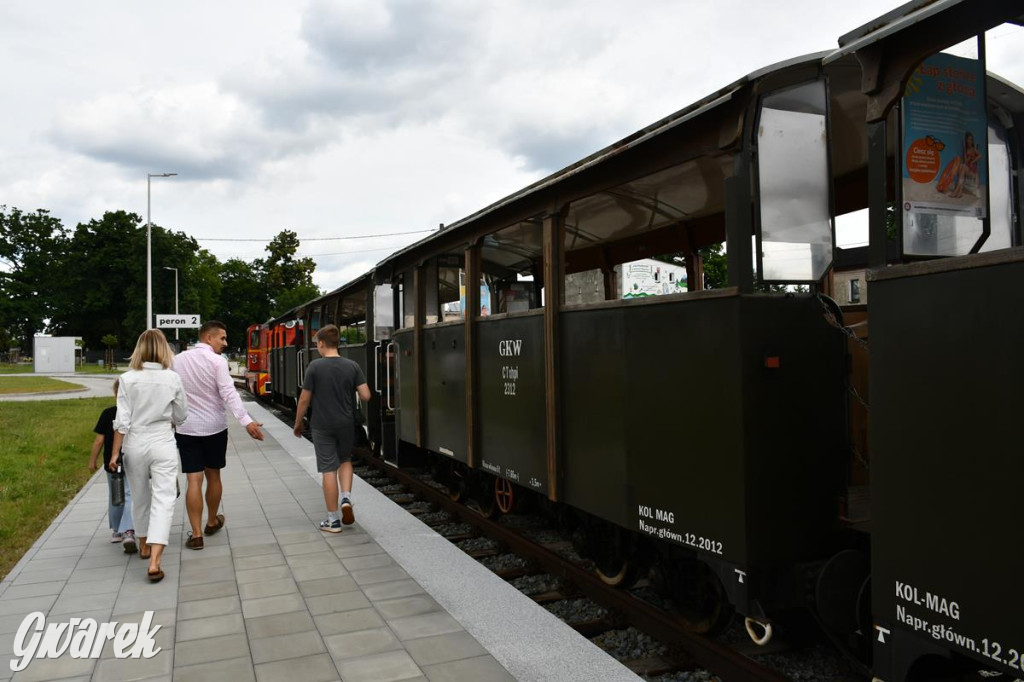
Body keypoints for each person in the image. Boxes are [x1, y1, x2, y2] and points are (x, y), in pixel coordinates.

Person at [173, 320, 263, 550]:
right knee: (213, 476)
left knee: (193, 479)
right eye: (222, 338)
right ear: (208, 338)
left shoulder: (178, 359)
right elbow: (228, 393)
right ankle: (212, 521)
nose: (225, 342)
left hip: (186, 428)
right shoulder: (217, 361)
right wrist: (246, 421)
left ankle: (195, 535)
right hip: (214, 428)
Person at [110, 329, 188, 582]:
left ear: (138, 349)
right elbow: (182, 415)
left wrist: (114, 454)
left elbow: (121, 421)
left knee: (140, 498)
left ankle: (143, 545)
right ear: (165, 349)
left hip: (134, 442)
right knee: (164, 499)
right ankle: (155, 560)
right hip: (162, 441)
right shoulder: (172, 378)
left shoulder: (126, 379)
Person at [293, 324, 371, 532]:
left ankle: (333, 520)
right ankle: (346, 499)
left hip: (322, 425)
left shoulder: (314, 367)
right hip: (346, 424)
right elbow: (366, 395)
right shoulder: (352, 365)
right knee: (345, 460)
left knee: (328, 469)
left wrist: (298, 422)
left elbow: (304, 399)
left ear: (320, 343)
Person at [88, 378, 136, 554]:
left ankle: (116, 531)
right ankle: (129, 530)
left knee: (115, 496)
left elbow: (99, 440)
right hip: (130, 460)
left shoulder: (108, 413)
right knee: (130, 494)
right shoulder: (134, 413)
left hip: (111, 463)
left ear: (115, 394)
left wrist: (92, 460)